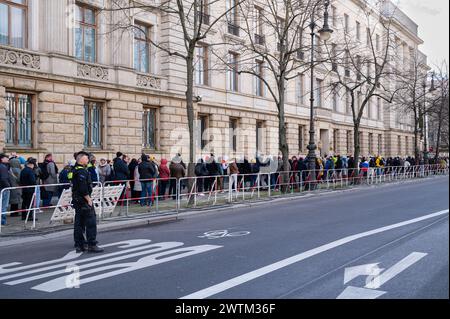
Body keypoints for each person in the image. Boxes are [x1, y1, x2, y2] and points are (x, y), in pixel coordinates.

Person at [71, 151, 103, 253]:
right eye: (86, 159)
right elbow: (83, 188)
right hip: (83, 201)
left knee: (79, 223)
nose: (88, 160)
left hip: (77, 200)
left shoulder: (74, 170)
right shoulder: (82, 172)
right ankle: (92, 244)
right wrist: (89, 199)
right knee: (91, 222)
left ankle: (80, 244)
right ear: (82, 160)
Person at [0, 153, 12, 225]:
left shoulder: (4, 166)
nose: (8, 159)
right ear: (2, 159)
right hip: (3, 188)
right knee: (3, 206)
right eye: (6, 157)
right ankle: (3, 221)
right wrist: (8, 187)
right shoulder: (2, 167)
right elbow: (4, 179)